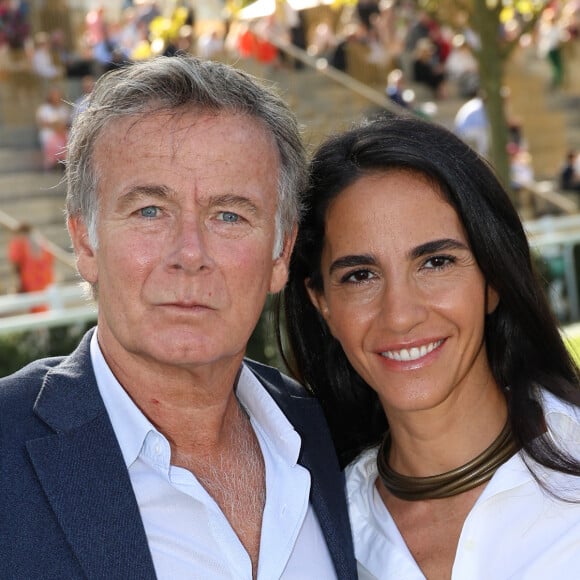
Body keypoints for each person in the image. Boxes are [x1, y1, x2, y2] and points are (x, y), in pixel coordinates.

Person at [0, 56, 356, 580]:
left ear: (281, 254)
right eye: (150, 210)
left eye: (229, 215)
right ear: (84, 242)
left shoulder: (330, 433)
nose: (190, 253)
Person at [279, 115, 580, 579]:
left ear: (493, 278)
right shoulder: (309, 539)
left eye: (436, 262)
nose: (400, 314)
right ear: (322, 305)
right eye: (360, 275)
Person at [8, 222, 55, 312]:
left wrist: (17, 283)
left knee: (36, 308)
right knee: (45, 306)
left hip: (31, 280)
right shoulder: (41, 241)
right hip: (45, 279)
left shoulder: (19, 241)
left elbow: (16, 262)